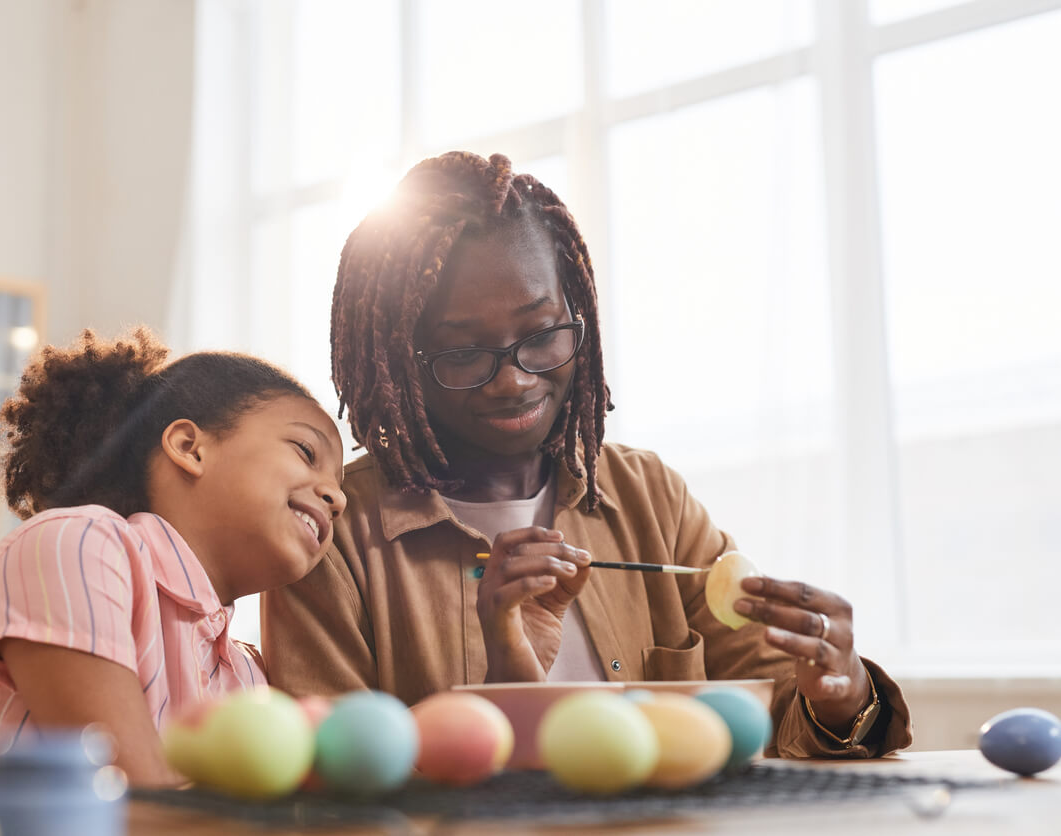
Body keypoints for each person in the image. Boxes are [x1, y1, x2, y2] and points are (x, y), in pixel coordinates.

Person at [262, 151, 912, 758]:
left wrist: (841, 693)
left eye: (542, 334)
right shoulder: (331, 537)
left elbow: (776, 721)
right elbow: (327, 786)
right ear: (396, 360)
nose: (514, 379)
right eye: (463, 353)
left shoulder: (647, 494)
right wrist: (505, 689)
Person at [0, 327, 346, 784]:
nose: (338, 498)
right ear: (189, 448)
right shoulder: (74, 546)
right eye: (306, 451)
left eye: (340, 485)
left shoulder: (244, 674)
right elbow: (134, 802)